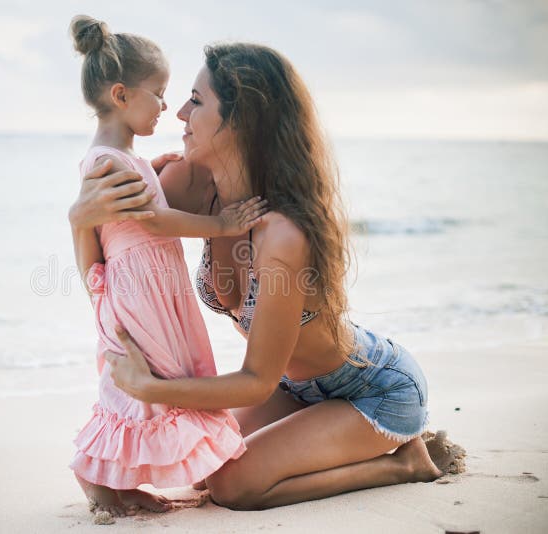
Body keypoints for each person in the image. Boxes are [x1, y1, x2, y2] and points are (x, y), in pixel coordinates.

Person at [69, 41, 466, 511]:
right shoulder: (189, 186)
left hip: (371, 390)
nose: (178, 113)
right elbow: (110, 271)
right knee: (204, 461)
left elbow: (256, 379)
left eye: (196, 101)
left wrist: (149, 388)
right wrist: (79, 220)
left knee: (233, 486)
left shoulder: (283, 234)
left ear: (242, 121)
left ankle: (405, 462)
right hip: (293, 389)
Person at [67, 17, 270, 518]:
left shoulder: (121, 157)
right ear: (121, 94)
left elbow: (142, 211)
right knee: (140, 377)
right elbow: (155, 223)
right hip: (141, 289)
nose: (167, 106)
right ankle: (97, 477)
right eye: (158, 94)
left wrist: (155, 172)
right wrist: (223, 225)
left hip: (148, 285)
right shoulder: (111, 162)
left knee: (150, 379)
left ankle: (118, 481)